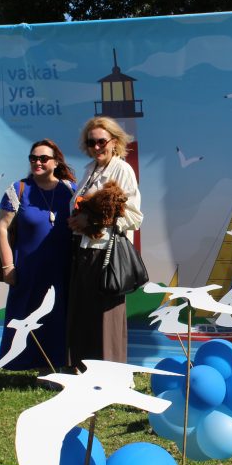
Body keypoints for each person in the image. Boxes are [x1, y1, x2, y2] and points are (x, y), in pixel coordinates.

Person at [66, 117, 143, 366]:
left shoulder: (122, 170)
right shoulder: (89, 170)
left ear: (114, 142)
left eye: (101, 141)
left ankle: (111, 378)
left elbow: (133, 216)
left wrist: (92, 223)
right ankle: (82, 372)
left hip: (106, 254)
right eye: (91, 142)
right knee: (83, 317)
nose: (96, 147)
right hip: (83, 252)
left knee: (106, 320)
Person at [0, 138, 76, 370]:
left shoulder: (70, 189)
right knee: (30, 317)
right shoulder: (18, 189)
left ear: (56, 161)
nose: (37, 162)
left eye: (43, 158)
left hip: (64, 270)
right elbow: (2, 228)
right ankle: (39, 366)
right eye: (33, 158)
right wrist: (7, 266)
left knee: (60, 318)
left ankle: (62, 365)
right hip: (29, 270)